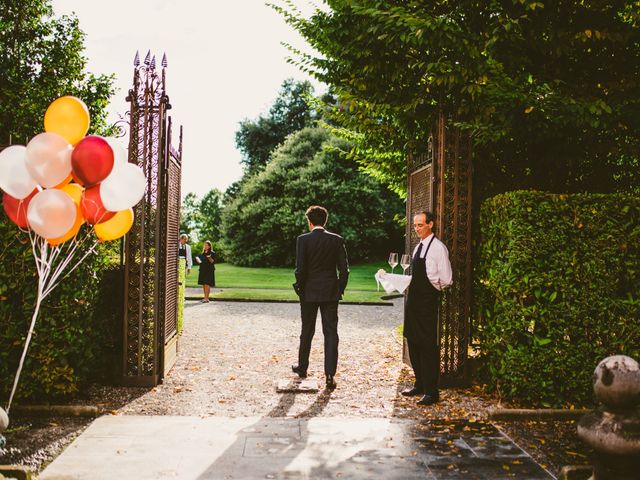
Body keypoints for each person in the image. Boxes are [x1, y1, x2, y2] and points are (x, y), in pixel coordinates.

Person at [292, 205, 349, 390]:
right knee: (331, 333)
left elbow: (300, 270)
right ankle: (330, 375)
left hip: (309, 292)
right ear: (325, 221)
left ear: (309, 221)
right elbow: (344, 270)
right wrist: (339, 289)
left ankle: (302, 368)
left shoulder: (303, 240)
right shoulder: (336, 240)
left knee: (306, 331)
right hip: (330, 292)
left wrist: (301, 288)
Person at [402, 211, 452, 406]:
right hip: (414, 301)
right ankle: (420, 384)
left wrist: (431, 290)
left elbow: (446, 279)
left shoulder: (438, 248)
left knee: (427, 345)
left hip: (428, 301)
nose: (416, 229)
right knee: (412, 340)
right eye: (415, 225)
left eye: (420, 225)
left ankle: (432, 391)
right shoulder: (418, 248)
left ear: (431, 224)